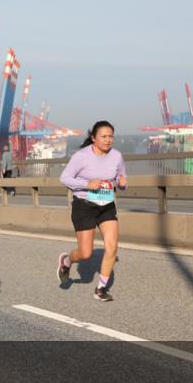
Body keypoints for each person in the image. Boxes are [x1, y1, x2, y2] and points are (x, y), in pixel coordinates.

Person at [57, 121, 127, 301]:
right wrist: (86, 184)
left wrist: (122, 183)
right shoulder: (82, 156)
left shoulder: (117, 156)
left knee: (112, 247)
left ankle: (101, 289)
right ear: (93, 138)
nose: (108, 140)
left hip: (107, 206)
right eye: (103, 136)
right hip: (84, 206)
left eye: (111, 136)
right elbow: (64, 178)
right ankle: (67, 261)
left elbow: (121, 177)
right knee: (85, 253)